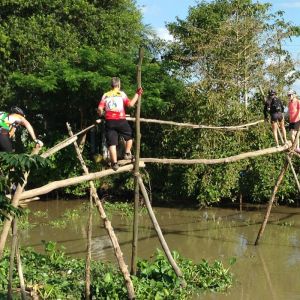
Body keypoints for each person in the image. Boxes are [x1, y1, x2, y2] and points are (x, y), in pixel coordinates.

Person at [97, 77, 143, 171]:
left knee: (112, 143)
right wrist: (137, 94)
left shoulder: (105, 95)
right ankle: (127, 153)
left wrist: (102, 113)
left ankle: (114, 164)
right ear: (119, 85)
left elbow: (100, 109)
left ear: (111, 85)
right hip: (121, 120)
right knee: (129, 136)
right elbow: (130, 104)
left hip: (109, 121)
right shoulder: (121, 94)